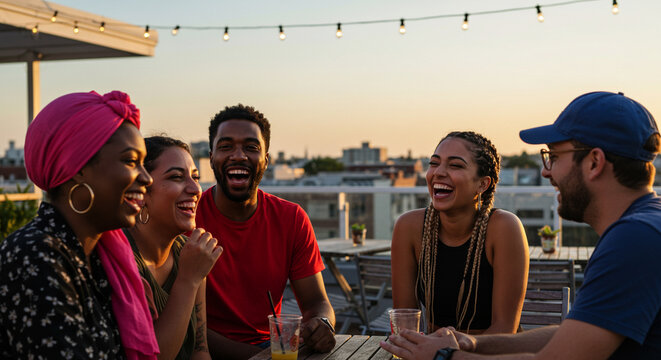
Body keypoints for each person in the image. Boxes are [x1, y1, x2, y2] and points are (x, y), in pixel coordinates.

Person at [381, 91, 661, 359]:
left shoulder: (635, 239)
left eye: (554, 157)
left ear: (594, 162)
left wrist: (445, 356)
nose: (545, 170)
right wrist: (471, 342)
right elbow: (573, 334)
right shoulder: (642, 228)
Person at [0, 91, 160, 359]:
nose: (147, 178)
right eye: (131, 161)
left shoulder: (99, 257)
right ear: (77, 166)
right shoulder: (35, 255)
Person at [196, 104, 336, 359]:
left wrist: (322, 324)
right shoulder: (189, 218)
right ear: (211, 156)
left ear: (266, 160)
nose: (238, 155)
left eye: (251, 147)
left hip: (273, 349)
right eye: (226, 146)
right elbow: (187, 328)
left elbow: (317, 303)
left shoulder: (291, 218)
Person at [391, 131, 529, 334]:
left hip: (493, 352)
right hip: (433, 351)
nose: (438, 172)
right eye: (434, 163)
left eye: (455, 165)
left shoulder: (504, 228)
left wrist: (450, 350)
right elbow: (405, 320)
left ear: (482, 184)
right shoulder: (408, 227)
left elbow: (504, 329)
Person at [125, 136, 223, 360]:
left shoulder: (188, 253)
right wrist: (188, 280)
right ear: (142, 191)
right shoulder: (121, 257)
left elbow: (200, 350)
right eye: (177, 177)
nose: (195, 188)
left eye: (195, 177)